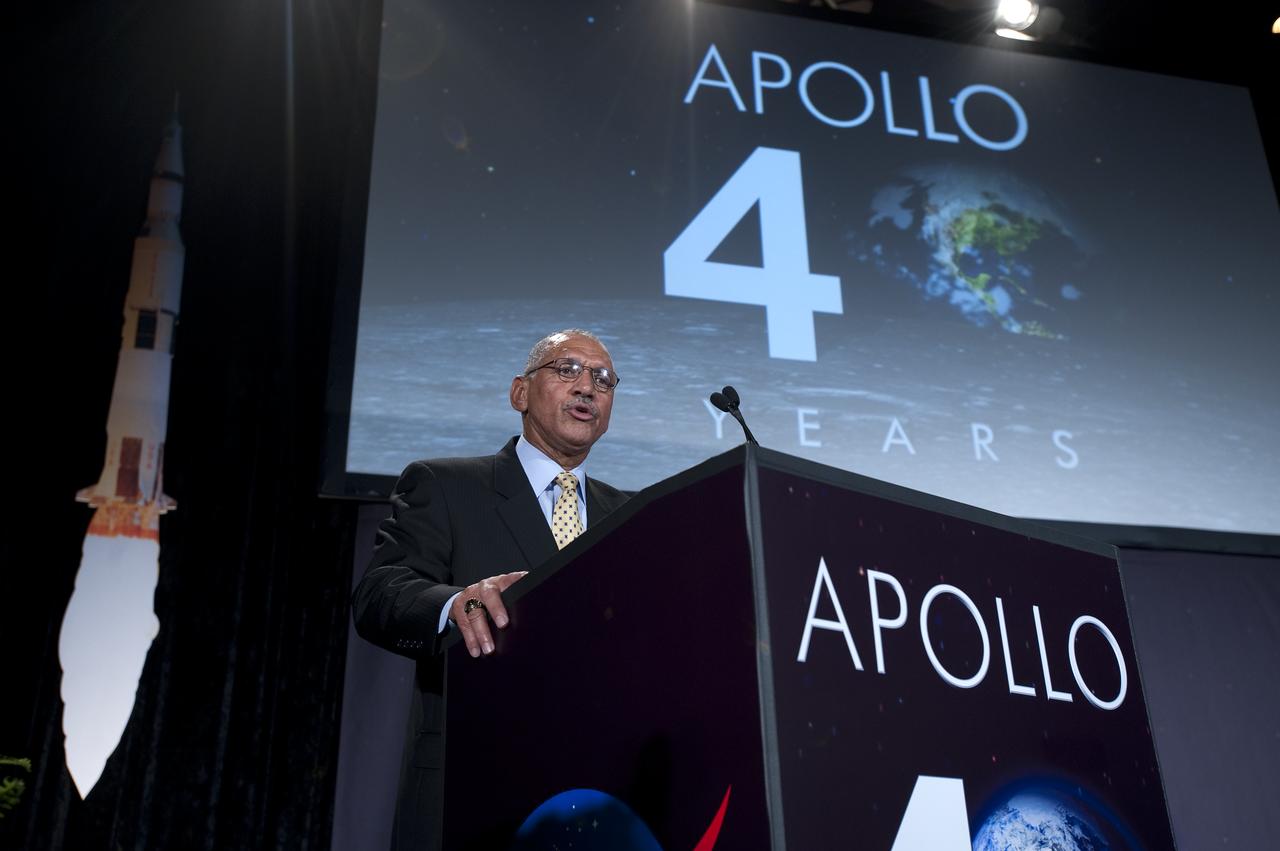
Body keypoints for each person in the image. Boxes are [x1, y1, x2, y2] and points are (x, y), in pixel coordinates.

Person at [351, 329, 631, 851]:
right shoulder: (445, 485)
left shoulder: (634, 514)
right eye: (567, 370)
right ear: (519, 393)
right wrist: (454, 604)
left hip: (602, 800)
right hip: (476, 788)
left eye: (604, 379)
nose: (588, 387)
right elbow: (379, 594)